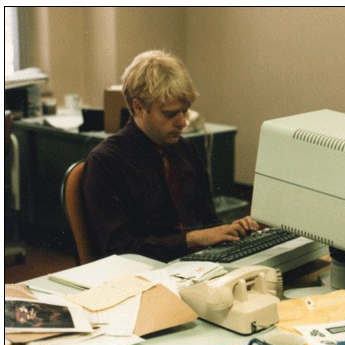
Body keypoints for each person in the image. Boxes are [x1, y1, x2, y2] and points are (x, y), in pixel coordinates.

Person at [81, 50, 259, 263]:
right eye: (170, 114)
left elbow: (207, 220)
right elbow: (118, 246)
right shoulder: (106, 162)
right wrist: (191, 239)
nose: (182, 122)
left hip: (197, 265)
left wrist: (229, 230)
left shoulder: (185, 150)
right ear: (137, 108)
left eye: (185, 111)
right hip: (145, 271)